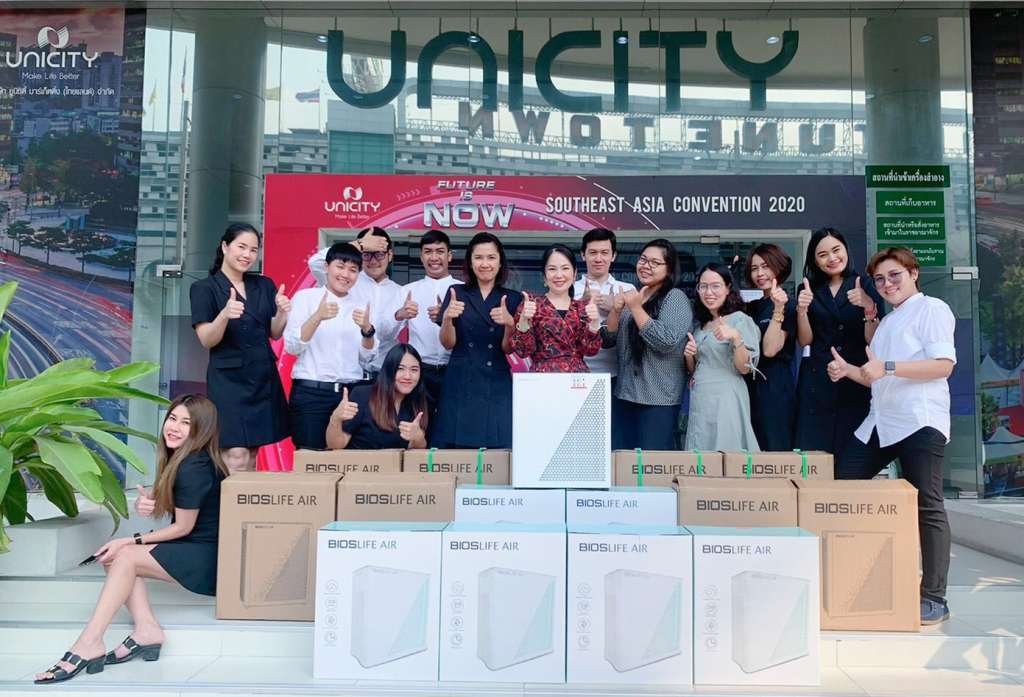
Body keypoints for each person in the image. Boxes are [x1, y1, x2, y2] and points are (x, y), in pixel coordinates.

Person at [35, 395, 228, 684]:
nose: (174, 427)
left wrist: (130, 540)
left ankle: (89, 642)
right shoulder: (186, 459)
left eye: (186, 423)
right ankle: (146, 630)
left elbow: (183, 527)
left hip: (208, 557)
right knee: (115, 556)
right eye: (172, 418)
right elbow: (186, 509)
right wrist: (150, 502)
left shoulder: (194, 466)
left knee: (123, 554)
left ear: (201, 429)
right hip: (197, 547)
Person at [827, 247, 956, 625]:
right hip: (881, 422)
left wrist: (889, 366)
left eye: (894, 275)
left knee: (928, 504)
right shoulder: (887, 323)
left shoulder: (932, 309)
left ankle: (934, 597)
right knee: (841, 484)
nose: (887, 284)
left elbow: (943, 366)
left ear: (913, 273)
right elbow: (877, 377)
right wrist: (848, 371)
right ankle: (855, 574)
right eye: (880, 279)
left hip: (919, 420)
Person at [190, 223, 290, 471]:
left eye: (253, 250)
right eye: (241, 247)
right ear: (225, 247)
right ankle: (227, 497)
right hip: (229, 382)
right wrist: (224, 315)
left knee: (253, 451)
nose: (247, 255)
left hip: (262, 377)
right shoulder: (204, 288)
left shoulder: (264, 285)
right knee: (234, 452)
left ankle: (248, 496)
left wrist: (282, 312)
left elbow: (275, 332)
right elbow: (206, 339)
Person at [794, 227, 885, 454]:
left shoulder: (865, 284)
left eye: (836, 250)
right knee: (815, 455)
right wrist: (802, 310)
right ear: (814, 260)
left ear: (846, 250)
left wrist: (868, 306)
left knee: (852, 455)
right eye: (823, 254)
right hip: (819, 380)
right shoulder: (807, 289)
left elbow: (873, 341)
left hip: (856, 377)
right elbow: (805, 341)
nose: (832, 258)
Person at [284, 242, 378, 450]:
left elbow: (368, 357)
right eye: (340, 266)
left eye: (353, 270)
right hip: (312, 393)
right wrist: (317, 317)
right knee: (310, 459)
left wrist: (367, 329)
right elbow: (292, 347)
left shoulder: (361, 304)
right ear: (326, 267)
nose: (345, 274)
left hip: (350, 394)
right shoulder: (305, 298)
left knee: (348, 460)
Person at [433, 232, 523, 448]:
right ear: (470, 262)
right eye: (479, 257)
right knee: (457, 452)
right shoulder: (456, 292)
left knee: (499, 451)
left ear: (500, 262)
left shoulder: (512, 298)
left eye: (491, 257)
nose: (485, 264)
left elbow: (508, 349)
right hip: (460, 380)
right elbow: (448, 343)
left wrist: (510, 324)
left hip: (496, 382)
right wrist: (447, 319)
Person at [602, 239, 692, 450]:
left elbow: (666, 341)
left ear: (669, 269)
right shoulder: (637, 295)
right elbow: (607, 340)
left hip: (658, 400)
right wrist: (616, 310)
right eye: (643, 260)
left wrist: (635, 308)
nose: (646, 266)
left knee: (650, 462)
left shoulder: (675, 297)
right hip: (625, 395)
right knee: (624, 460)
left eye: (655, 262)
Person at [309, 227, 404, 382]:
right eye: (367, 254)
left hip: (385, 374)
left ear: (390, 255)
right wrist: (358, 244)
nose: (373, 261)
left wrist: (397, 316)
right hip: (346, 373)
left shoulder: (401, 292)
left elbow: (385, 335)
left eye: (379, 254)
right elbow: (315, 263)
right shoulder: (346, 280)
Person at [684, 262, 761, 451]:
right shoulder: (700, 326)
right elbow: (695, 369)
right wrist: (689, 355)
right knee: (700, 452)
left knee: (727, 451)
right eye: (703, 286)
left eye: (715, 286)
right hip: (701, 398)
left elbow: (745, 368)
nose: (708, 292)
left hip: (726, 397)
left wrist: (736, 337)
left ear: (728, 288)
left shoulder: (740, 320)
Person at [573, 228, 636, 447]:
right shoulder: (570, 289)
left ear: (613, 255)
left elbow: (638, 329)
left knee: (613, 441)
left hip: (617, 377)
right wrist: (580, 305)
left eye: (604, 252)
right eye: (593, 252)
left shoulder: (627, 289)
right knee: (580, 440)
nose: (598, 258)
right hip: (577, 377)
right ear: (583, 255)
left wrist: (616, 309)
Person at [385, 229, 463, 406]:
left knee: (452, 420)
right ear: (421, 257)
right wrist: (399, 315)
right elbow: (385, 334)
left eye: (440, 251)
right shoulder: (407, 291)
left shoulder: (463, 291)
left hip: (456, 370)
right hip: (419, 371)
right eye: (428, 252)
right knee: (418, 419)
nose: (434, 257)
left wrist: (446, 320)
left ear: (449, 256)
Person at [511, 244, 602, 372]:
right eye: (552, 269)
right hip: (542, 377)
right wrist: (524, 321)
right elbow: (523, 351)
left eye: (565, 268)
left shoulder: (582, 308)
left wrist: (594, 324)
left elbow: (590, 350)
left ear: (574, 274)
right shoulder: (532, 305)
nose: (559, 275)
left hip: (576, 378)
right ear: (544, 276)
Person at [743, 243, 799, 450]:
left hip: (774, 385)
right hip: (748, 383)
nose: (760, 273)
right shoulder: (751, 307)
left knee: (775, 447)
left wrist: (778, 309)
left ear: (778, 266)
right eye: (754, 268)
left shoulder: (790, 305)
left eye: (765, 266)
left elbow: (770, 349)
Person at [326, 344, 430, 449]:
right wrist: (335, 418)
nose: (407, 376)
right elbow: (335, 446)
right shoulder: (362, 395)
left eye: (414, 370)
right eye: (400, 368)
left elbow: (417, 453)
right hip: (360, 459)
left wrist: (418, 437)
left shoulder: (418, 401)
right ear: (389, 370)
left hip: (397, 460)